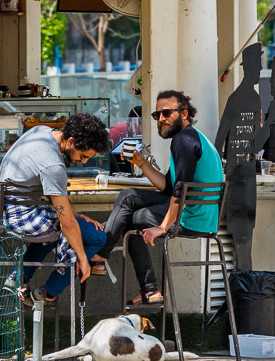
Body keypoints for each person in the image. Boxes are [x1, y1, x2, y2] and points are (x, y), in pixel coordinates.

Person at [91, 90, 224, 306]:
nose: (161, 119)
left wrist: (162, 227)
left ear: (184, 113)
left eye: (167, 113)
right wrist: (141, 163)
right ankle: (116, 266)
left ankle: (111, 263)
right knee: (128, 197)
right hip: (198, 214)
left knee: (134, 218)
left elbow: (179, 191)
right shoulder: (190, 137)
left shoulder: (184, 141)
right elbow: (168, 187)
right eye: (157, 115)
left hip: (191, 218)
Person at [0, 112, 110, 305]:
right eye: (83, 155)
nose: (84, 161)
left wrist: (75, 215)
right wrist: (83, 259)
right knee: (98, 237)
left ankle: (19, 277)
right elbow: (67, 224)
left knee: (53, 231)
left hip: (2, 211)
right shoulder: (54, 166)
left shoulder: (40, 132)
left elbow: (55, 204)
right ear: (71, 140)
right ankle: (48, 293)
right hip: (22, 218)